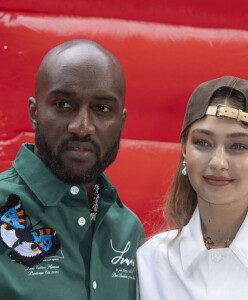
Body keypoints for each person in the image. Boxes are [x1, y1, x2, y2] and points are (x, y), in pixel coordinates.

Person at [0, 39, 144, 299]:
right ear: (34, 112)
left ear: (121, 121)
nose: (82, 127)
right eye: (64, 105)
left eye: (101, 109)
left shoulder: (128, 229)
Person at [136, 76, 248, 300]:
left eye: (238, 146)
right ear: (185, 148)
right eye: (203, 142)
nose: (217, 162)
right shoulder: (151, 261)